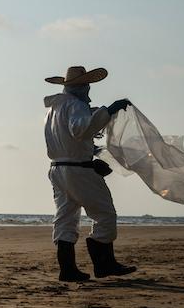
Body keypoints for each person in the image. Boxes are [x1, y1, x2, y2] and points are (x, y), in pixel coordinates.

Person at [44, 65, 136, 282]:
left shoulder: (54, 109)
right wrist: (109, 110)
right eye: (86, 85)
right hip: (78, 170)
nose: (88, 90)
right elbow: (80, 130)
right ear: (80, 86)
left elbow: (70, 136)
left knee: (65, 218)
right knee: (104, 213)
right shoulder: (75, 105)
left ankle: (67, 270)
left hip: (58, 169)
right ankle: (104, 264)